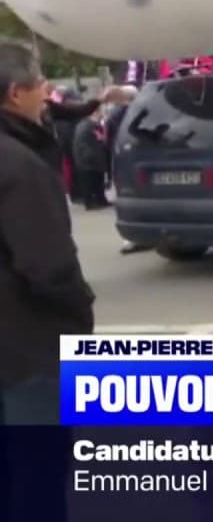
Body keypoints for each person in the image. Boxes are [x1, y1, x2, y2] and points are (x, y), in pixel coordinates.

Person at [0, 41, 95, 522]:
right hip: (27, 354)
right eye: (40, 85)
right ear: (16, 93)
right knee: (36, 485)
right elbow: (48, 266)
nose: (48, 92)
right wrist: (81, 311)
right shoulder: (17, 163)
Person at [72, 105, 111, 210]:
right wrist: (89, 156)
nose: (102, 115)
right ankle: (89, 202)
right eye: (100, 113)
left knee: (98, 180)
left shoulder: (92, 125)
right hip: (88, 160)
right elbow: (83, 143)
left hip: (94, 158)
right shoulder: (86, 126)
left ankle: (100, 199)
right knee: (89, 182)